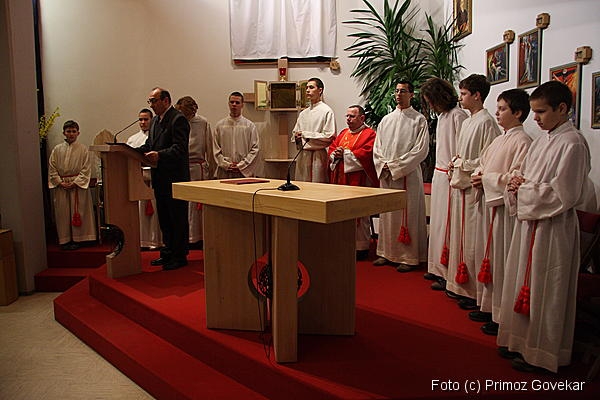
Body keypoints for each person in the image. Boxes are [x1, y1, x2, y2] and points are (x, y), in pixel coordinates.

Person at [498, 80, 596, 373]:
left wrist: (524, 190)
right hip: (530, 222)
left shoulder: (573, 143)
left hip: (553, 227)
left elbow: (564, 194)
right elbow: (526, 174)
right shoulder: (543, 139)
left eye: (541, 112)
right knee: (524, 281)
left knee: (547, 289)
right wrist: (516, 183)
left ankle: (543, 353)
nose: (536, 118)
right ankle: (521, 342)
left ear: (562, 108)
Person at [469, 89, 532, 336]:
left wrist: (486, 179)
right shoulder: (499, 140)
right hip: (489, 203)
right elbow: (482, 163)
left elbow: (517, 176)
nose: (497, 113)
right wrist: (478, 175)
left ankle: (500, 314)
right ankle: (488, 306)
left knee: (501, 259)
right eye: (497, 108)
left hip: (505, 210)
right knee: (488, 257)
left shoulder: (523, 141)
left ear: (518, 113)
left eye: (503, 109)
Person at [446, 74, 501, 309]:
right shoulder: (468, 121)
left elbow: (489, 159)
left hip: (473, 188)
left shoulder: (487, 122)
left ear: (477, 95)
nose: (460, 98)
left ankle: (472, 291)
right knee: (460, 237)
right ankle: (459, 284)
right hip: (460, 184)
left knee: (472, 241)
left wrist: (464, 164)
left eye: (464, 94)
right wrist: (456, 162)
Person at [373, 80, 429, 272]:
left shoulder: (419, 120)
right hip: (387, 175)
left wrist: (396, 166)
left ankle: (408, 257)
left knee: (409, 215)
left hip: (408, 175)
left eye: (403, 91)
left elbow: (421, 150)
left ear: (411, 94)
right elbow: (377, 147)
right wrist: (383, 164)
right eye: (396, 91)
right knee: (388, 215)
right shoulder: (386, 120)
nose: (398, 94)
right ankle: (386, 252)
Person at [420, 78, 468, 289]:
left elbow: (462, 147)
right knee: (439, 222)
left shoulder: (458, 115)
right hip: (439, 175)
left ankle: (446, 270)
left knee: (448, 223)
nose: (430, 105)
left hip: (450, 175)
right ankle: (436, 266)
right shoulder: (443, 116)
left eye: (431, 100)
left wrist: (454, 168)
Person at [136, 87, 190, 271]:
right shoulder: (154, 122)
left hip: (175, 177)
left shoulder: (178, 119)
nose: (151, 105)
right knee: (165, 218)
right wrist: (133, 152)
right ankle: (168, 252)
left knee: (177, 217)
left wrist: (159, 155)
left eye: (154, 101)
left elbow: (180, 148)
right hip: (159, 177)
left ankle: (179, 255)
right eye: (150, 101)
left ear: (166, 101)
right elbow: (149, 144)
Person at [328, 105, 378, 260]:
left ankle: (360, 247)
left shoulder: (369, 134)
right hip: (340, 179)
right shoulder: (343, 133)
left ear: (362, 118)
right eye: (347, 116)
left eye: (352, 116)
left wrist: (346, 154)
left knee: (359, 213)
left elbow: (367, 154)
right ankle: (342, 244)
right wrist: (335, 154)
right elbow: (332, 148)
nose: (348, 119)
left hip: (358, 180)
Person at [48, 120, 97, 250]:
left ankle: (80, 238)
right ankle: (65, 239)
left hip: (77, 185)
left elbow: (86, 168)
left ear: (78, 133)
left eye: (73, 131)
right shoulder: (57, 150)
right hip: (62, 185)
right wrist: (60, 182)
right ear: (64, 133)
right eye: (68, 131)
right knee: (63, 213)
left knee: (79, 211)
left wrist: (75, 182)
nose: (71, 134)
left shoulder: (83, 149)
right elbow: (52, 168)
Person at [174, 96, 215, 246]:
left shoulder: (202, 122)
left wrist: (211, 170)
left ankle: (198, 237)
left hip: (197, 167)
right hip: (181, 166)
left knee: (196, 205)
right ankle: (185, 237)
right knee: (183, 204)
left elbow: (209, 147)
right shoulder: (176, 121)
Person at [126, 108, 163, 249]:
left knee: (156, 211)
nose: (142, 122)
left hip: (154, 179)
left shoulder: (157, 137)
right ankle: (143, 241)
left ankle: (157, 241)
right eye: (140, 119)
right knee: (141, 211)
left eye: (146, 119)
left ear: (152, 120)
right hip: (138, 180)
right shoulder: (132, 139)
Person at [292, 77, 336, 183]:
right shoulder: (303, 113)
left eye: (311, 87)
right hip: (302, 156)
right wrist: (298, 137)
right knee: (301, 185)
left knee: (317, 185)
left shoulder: (326, 111)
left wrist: (306, 135)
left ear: (320, 90)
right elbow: (295, 135)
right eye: (307, 88)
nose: (307, 90)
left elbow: (329, 136)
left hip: (318, 156)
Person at [212, 92, 260, 179]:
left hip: (243, 172)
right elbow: (216, 149)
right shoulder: (220, 126)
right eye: (232, 102)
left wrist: (241, 165)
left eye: (237, 102)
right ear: (228, 103)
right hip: (225, 172)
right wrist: (226, 165)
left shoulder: (249, 126)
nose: (234, 105)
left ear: (242, 105)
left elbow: (255, 149)